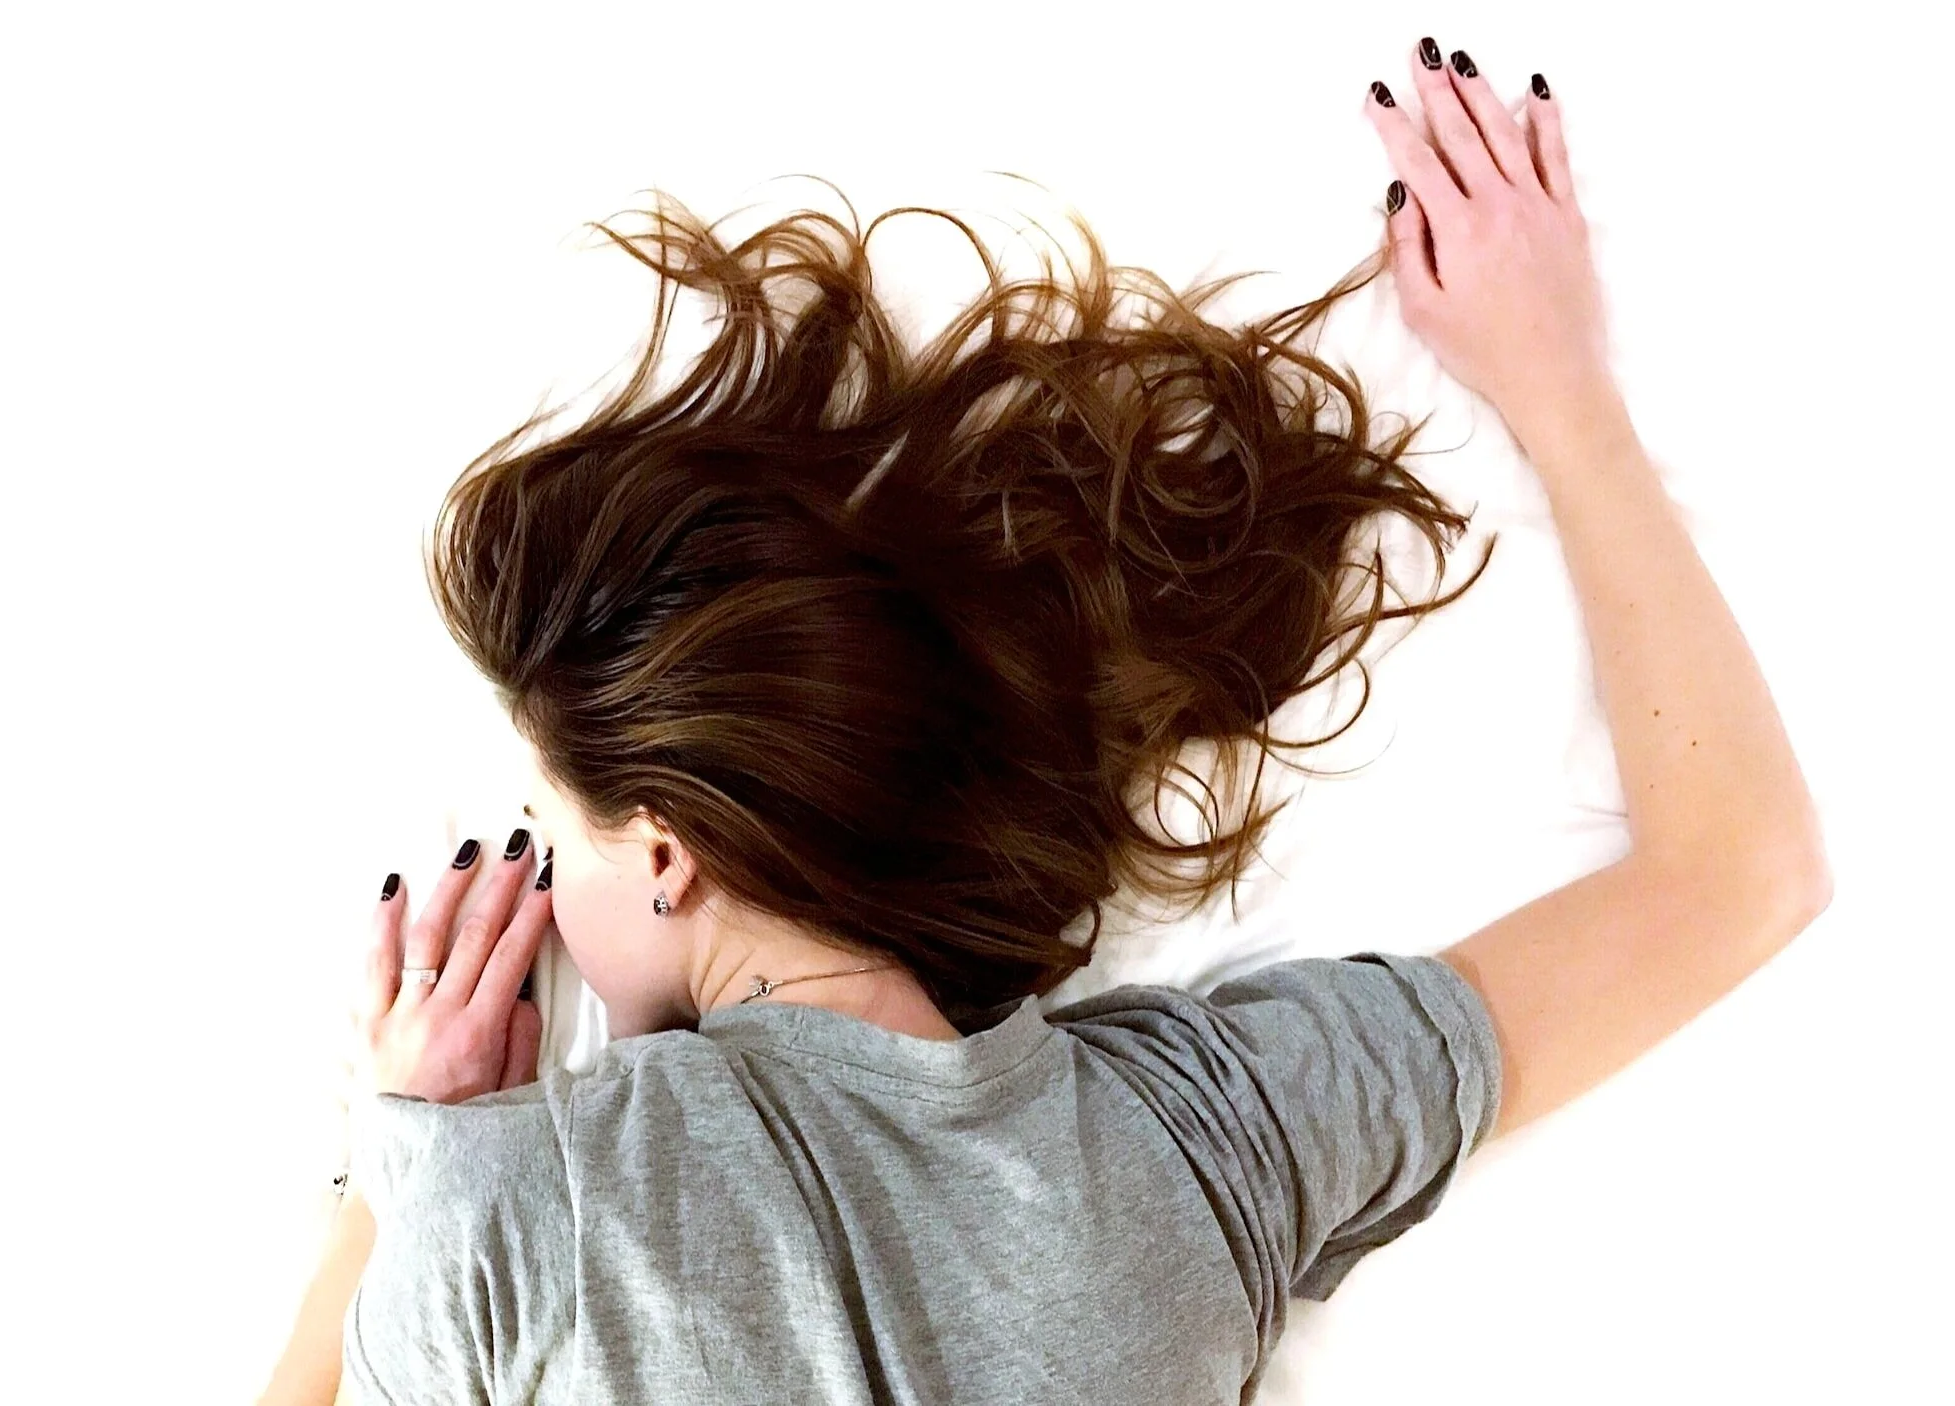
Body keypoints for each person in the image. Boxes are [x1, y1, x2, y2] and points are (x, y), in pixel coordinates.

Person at [259, 37, 1832, 1406]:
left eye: (549, 830)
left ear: (664, 849)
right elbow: (1742, 872)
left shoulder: (511, 1215)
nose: (539, 883)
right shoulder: (1206, 1143)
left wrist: (391, 1167)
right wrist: (1560, 388)